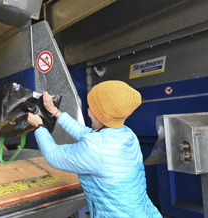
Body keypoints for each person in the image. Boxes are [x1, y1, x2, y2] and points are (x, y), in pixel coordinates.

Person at [27, 80, 162, 218]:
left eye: (91, 108)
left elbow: (53, 156)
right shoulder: (126, 134)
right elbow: (85, 133)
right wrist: (55, 112)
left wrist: (39, 127)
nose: (88, 111)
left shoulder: (95, 148)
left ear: (101, 116)